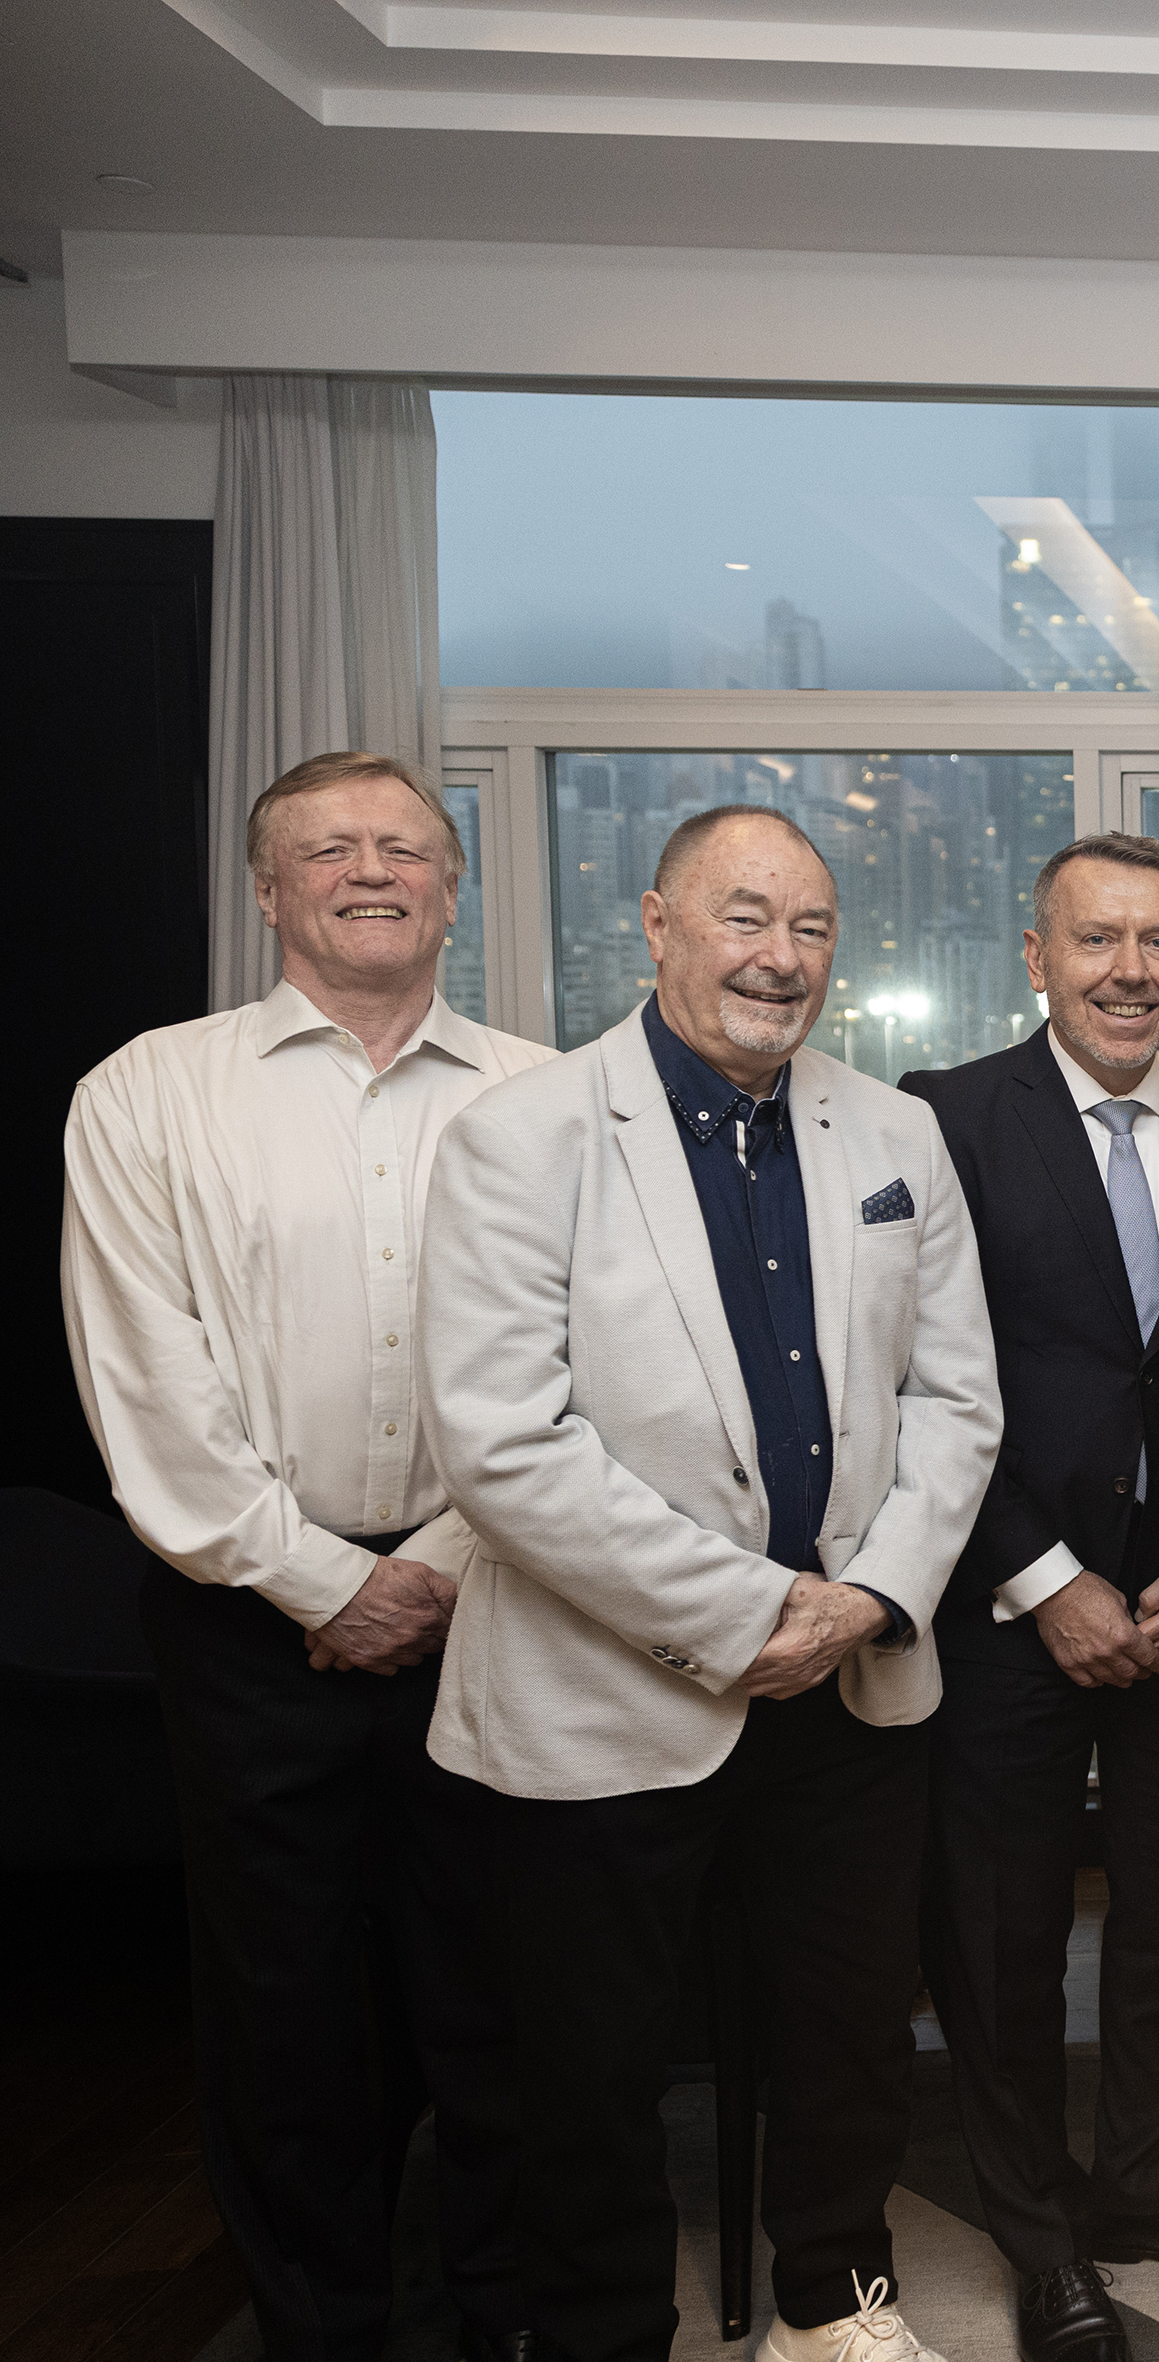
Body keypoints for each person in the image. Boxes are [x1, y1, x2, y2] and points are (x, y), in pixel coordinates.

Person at [418, 804, 1002, 2362]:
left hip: (853, 1677)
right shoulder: (520, 1136)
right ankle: (604, 2332)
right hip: (602, 1695)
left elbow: (959, 1401)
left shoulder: (897, 1135)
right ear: (658, 923)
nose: (780, 956)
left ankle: (832, 2301)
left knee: (851, 2028)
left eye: (811, 927)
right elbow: (502, 1443)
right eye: (745, 917)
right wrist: (749, 1616)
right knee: (590, 2063)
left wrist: (867, 1599)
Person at [59, 752, 556, 2362]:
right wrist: (327, 1582)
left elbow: (583, 1364)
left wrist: (444, 1559)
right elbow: (149, 1384)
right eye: (329, 847)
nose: (372, 869)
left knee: (497, 1999)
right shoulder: (147, 1092)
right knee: (288, 2013)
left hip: (502, 1600)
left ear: (453, 887)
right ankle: (320, 2327)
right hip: (249, 1624)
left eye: (404, 845)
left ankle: (499, 2320)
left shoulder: (546, 1096)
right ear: (267, 889)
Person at [899, 833, 1159, 2362]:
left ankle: (1144, 2175)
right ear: (1037, 957)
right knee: (1003, 1936)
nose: (1131, 969)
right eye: (1098, 939)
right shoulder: (944, 1119)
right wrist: (1044, 1578)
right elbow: (909, 1376)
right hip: (1007, 1599)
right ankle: (1041, 2230)